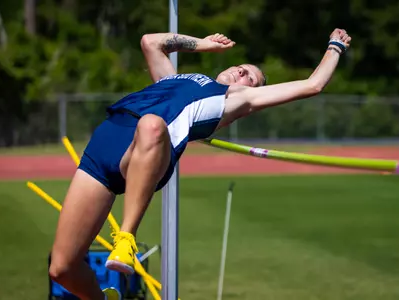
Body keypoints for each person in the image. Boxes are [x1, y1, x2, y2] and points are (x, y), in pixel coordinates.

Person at [48, 28, 351, 300]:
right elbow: (150, 42)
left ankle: (127, 238)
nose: (243, 74)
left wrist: (334, 46)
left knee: (152, 125)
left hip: (146, 149)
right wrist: (204, 45)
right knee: (62, 268)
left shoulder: (235, 98)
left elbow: (313, 85)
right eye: (242, 68)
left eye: (251, 78)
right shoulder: (174, 79)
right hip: (105, 145)